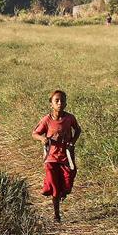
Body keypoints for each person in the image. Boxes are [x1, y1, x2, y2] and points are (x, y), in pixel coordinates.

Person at [32, 90, 82, 223]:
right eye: (57, 101)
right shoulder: (47, 120)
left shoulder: (70, 118)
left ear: (66, 103)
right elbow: (35, 133)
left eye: (62, 101)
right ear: (51, 104)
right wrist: (42, 139)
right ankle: (56, 215)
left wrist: (72, 142)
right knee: (54, 185)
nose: (60, 103)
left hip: (66, 156)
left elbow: (78, 130)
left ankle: (63, 192)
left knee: (68, 179)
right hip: (51, 158)